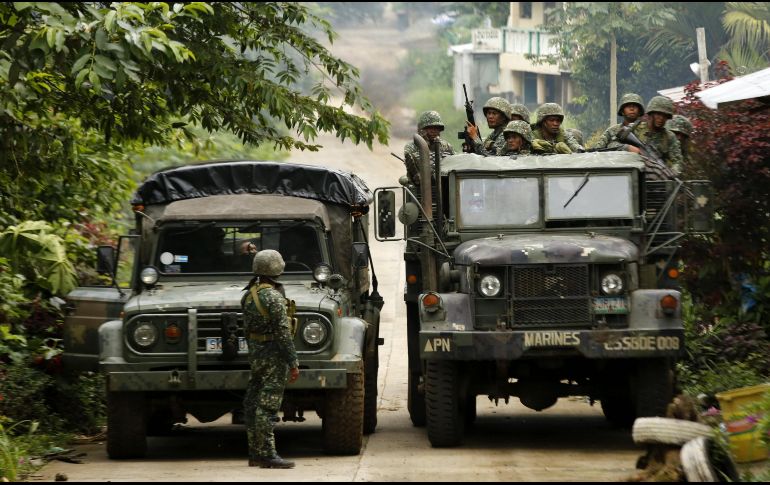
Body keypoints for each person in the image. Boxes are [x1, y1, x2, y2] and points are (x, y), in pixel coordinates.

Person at [242, 249, 299, 469]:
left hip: (257, 356)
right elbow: (283, 333)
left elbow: (247, 329)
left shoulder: (249, 294)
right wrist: (293, 363)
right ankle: (267, 454)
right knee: (267, 406)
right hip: (274, 356)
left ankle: (255, 452)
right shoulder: (274, 297)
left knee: (252, 402)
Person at [403, 110, 455, 186]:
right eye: (430, 128)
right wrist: (425, 144)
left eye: (437, 128)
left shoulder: (446, 146)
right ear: (421, 129)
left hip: (445, 186)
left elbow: (455, 164)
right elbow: (416, 170)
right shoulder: (412, 146)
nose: (434, 131)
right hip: (421, 189)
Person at [639, 96, 683, 174]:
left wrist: (672, 172)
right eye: (658, 114)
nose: (661, 118)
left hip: (656, 176)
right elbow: (615, 143)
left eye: (665, 116)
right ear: (651, 113)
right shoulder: (636, 129)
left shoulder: (669, 137)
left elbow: (677, 161)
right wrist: (630, 148)